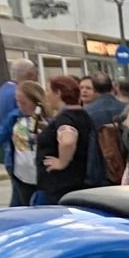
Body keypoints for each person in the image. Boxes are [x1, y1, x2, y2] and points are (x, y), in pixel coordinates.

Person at [36, 76, 95, 204]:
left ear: (58, 93)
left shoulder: (65, 118)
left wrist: (62, 162)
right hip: (76, 180)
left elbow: (68, 141)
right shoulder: (83, 115)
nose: (46, 95)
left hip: (59, 185)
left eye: (48, 91)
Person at [6, 81, 44, 206]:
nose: (20, 106)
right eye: (17, 101)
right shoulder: (15, 117)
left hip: (41, 175)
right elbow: (1, 134)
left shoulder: (46, 120)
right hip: (21, 174)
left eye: (24, 103)